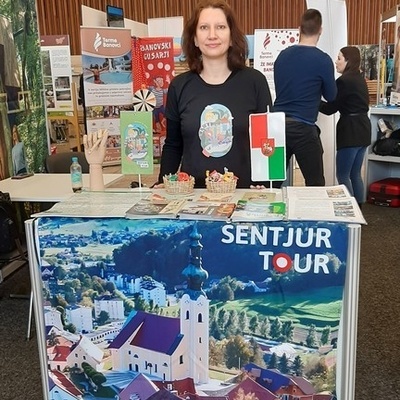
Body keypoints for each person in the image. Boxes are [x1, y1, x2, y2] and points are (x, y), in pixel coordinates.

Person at [157, 0, 272, 188]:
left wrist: (266, 185)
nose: (212, 35)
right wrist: (164, 182)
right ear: (194, 38)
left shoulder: (254, 82)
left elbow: (268, 141)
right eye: (204, 27)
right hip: (193, 200)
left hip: (244, 197)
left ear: (232, 35)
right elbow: (173, 145)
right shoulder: (179, 86)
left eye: (220, 27)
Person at [273, 8, 337, 187]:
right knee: (315, 184)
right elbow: (331, 96)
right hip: (304, 129)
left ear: (298, 28)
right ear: (320, 30)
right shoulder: (323, 60)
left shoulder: (282, 56)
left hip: (277, 126)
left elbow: (282, 89)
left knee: (272, 183)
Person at [320, 46, 371, 205]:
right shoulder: (359, 78)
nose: (336, 62)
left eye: (339, 58)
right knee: (355, 174)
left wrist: (313, 100)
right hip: (363, 129)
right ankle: (359, 210)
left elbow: (330, 109)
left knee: (343, 175)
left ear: (348, 61)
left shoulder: (344, 81)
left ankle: (349, 211)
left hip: (350, 130)